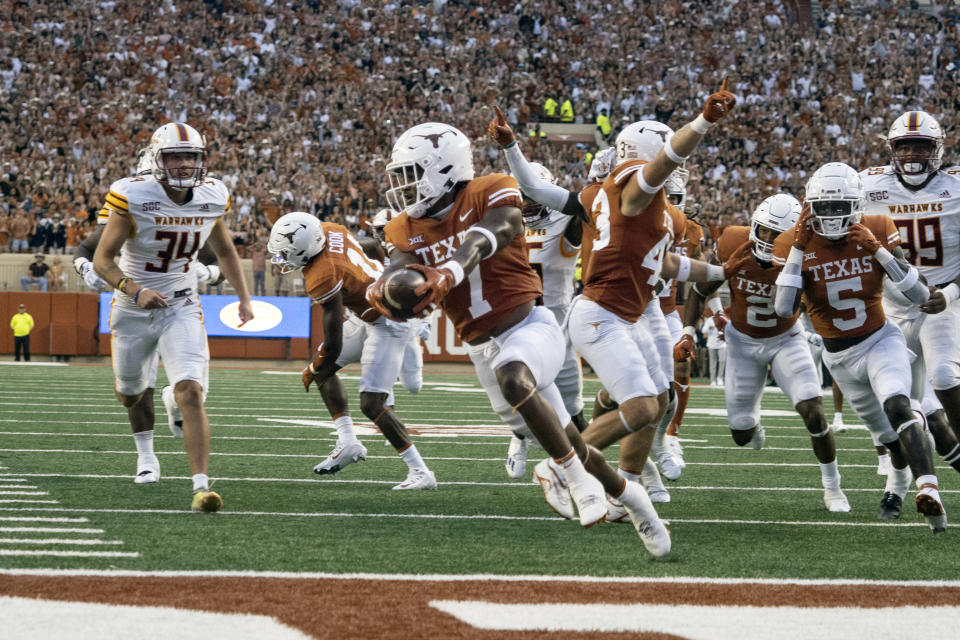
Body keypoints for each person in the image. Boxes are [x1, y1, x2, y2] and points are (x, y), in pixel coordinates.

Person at [368, 122, 671, 557]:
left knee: (515, 377)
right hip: (481, 346)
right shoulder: (403, 226)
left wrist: (450, 271)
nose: (405, 185)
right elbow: (399, 265)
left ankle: (576, 481)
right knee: (566, 434)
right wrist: (385, 286)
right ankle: (634, 501)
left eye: (414, 172)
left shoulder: (490, 189)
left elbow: (498, 229)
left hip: (532, 326)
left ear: (446, 169)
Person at [773, 162, 945, 532]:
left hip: (881, 339)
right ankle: (897, 488)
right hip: (839, 357)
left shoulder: (878, 227)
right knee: (887, 437)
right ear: (809, 206)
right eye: (825, 207)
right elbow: (784, 309)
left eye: (840, 206)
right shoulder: (791, 242)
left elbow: (919, 295)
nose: (833, 215)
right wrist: (800, 248)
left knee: (898, 404)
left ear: (857, 203)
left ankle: (929, 490)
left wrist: (879, 250)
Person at [93, 122, 253, 512]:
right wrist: (135, 289)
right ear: (156, 158)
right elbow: (102, 259)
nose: (184, 164)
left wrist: (244, 297)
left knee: (191, 392)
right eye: (175, 156)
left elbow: (226, 252)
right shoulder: (133, 193)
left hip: (182, 304)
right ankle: (146, 456)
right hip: (132, 308)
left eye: (191, 156)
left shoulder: (212, 195)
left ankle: (201, 485)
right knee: (130, 392)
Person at [677, 193, 849, 512]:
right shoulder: (732, 243)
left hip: (787, 338)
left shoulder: (808, 254)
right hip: (742, 341)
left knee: (813, 409)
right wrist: (688, 332)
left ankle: (833, 487)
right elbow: (699, 290)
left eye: (778, 234)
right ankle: (754, 424)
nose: (769, 239)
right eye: (765, 230)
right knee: (741, 434)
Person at [268, 211, 435, 490]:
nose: (283, 259)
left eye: (287, 253)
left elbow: (332, 345)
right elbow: (368, 246)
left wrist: (314, 366)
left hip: (389, 321)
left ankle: (420, 471)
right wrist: (378, 270)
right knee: (324, 373)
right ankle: (348, 443)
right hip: (367, 312)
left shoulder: (322, 273)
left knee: (371, 403)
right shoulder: (329, 229)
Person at [861, 110, 960, 478]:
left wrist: (949, 294)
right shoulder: (867, 186)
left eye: (921, 147)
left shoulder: (955, 186)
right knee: (892, 395)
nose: (912, 155)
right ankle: (898, 475)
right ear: (891, 149)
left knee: (946, 377)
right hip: (891, 307)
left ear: (937, 150)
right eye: (904, 147)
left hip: (942, 302)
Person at [502, 162, 587, 479]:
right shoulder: (506, 224)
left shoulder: (569, 221)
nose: (530, 201)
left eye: (535, 194)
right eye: (524, 195)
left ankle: (591, 469)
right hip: (520, 326)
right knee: (521, 390)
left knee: (574, 415)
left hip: (559, 334)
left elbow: (584, 203)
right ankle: (519, 436)